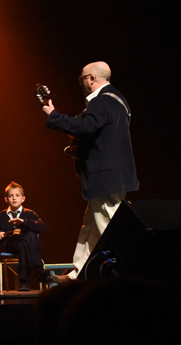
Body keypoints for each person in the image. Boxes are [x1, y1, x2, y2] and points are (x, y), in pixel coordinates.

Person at [42, 61, 138, 282]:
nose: (81, 83)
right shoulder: (119, 101)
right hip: (115, 174)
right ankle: (79, 272)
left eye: (82, 78)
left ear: (92, 78)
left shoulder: (102, 101)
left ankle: (129, 275)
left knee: (109, 224)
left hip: (105, 176)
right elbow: (100, 134)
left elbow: (86, 126)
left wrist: (54, 115)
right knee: (91, 225)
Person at [0, 181, 48, 291]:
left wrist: (24, 222)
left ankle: (24, 283)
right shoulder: (2, 215)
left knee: (25, 240)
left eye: (17, 195)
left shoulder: (29, 214)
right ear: (6, 199)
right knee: (27, 238)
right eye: (11, 196)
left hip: (23, 246)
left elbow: (42, 227)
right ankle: (39, 269)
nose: (14, 198)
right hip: (10, 244)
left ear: (23, 198)